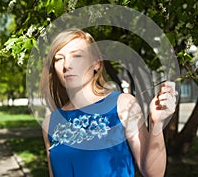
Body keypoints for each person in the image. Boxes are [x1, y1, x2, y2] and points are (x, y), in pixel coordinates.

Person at [41, 28, 177, 177]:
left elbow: (153, 173)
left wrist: (155, 124)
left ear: (96, 64)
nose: (67, 65)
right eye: (59, 58)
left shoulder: (123, 105)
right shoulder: (50, 123)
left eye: (77, 56)